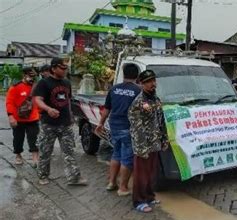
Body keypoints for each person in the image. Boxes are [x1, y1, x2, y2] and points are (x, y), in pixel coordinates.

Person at [33, 57, 87, 186]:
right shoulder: (44, 83)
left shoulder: (67, 82)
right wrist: (48, 108)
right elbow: (37, 100)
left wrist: (71, 116)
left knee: (69, 152)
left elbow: (68, 101)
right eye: (62, 68)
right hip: (48, 124)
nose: (65, 70)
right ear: (53, 68)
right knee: (45, 152)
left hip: (65, 124)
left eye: (66, 68)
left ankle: (74, 178)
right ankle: (43, 176)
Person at [96, 64, 141, 196]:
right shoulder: (138, 91)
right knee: (127, 158)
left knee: (116, 154)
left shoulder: (114, 89)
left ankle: (111, 183)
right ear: (137, 75)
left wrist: (100, 123)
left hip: (114, 126)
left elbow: (107, 109)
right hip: (128, 127)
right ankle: (123, 188)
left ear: (123, 73)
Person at [128, 70, 168, 213]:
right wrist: (141, 148)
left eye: (154, 80)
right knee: (141, 174)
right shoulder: (138, 102)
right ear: (142, 84)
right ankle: (139, 201)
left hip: (155, 143)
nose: (153, 84)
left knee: (152, 172)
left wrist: (164, 139)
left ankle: (149, 197)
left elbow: (161, 121)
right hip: (143, 145)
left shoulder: (156, 99)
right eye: (149, 82)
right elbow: (136, 127)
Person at [5, 67, 40, 166]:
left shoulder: (36, 87)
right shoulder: (15, 87)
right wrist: (11, 116)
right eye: (30, 76)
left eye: (34, 76)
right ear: (24, 75)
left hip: (33, 118)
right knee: (18, 138)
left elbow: (40, 100)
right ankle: (18, 155)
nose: (32, 79)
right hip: (18, 119)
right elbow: (9, 103)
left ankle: (35, 157)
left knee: (34, 138)